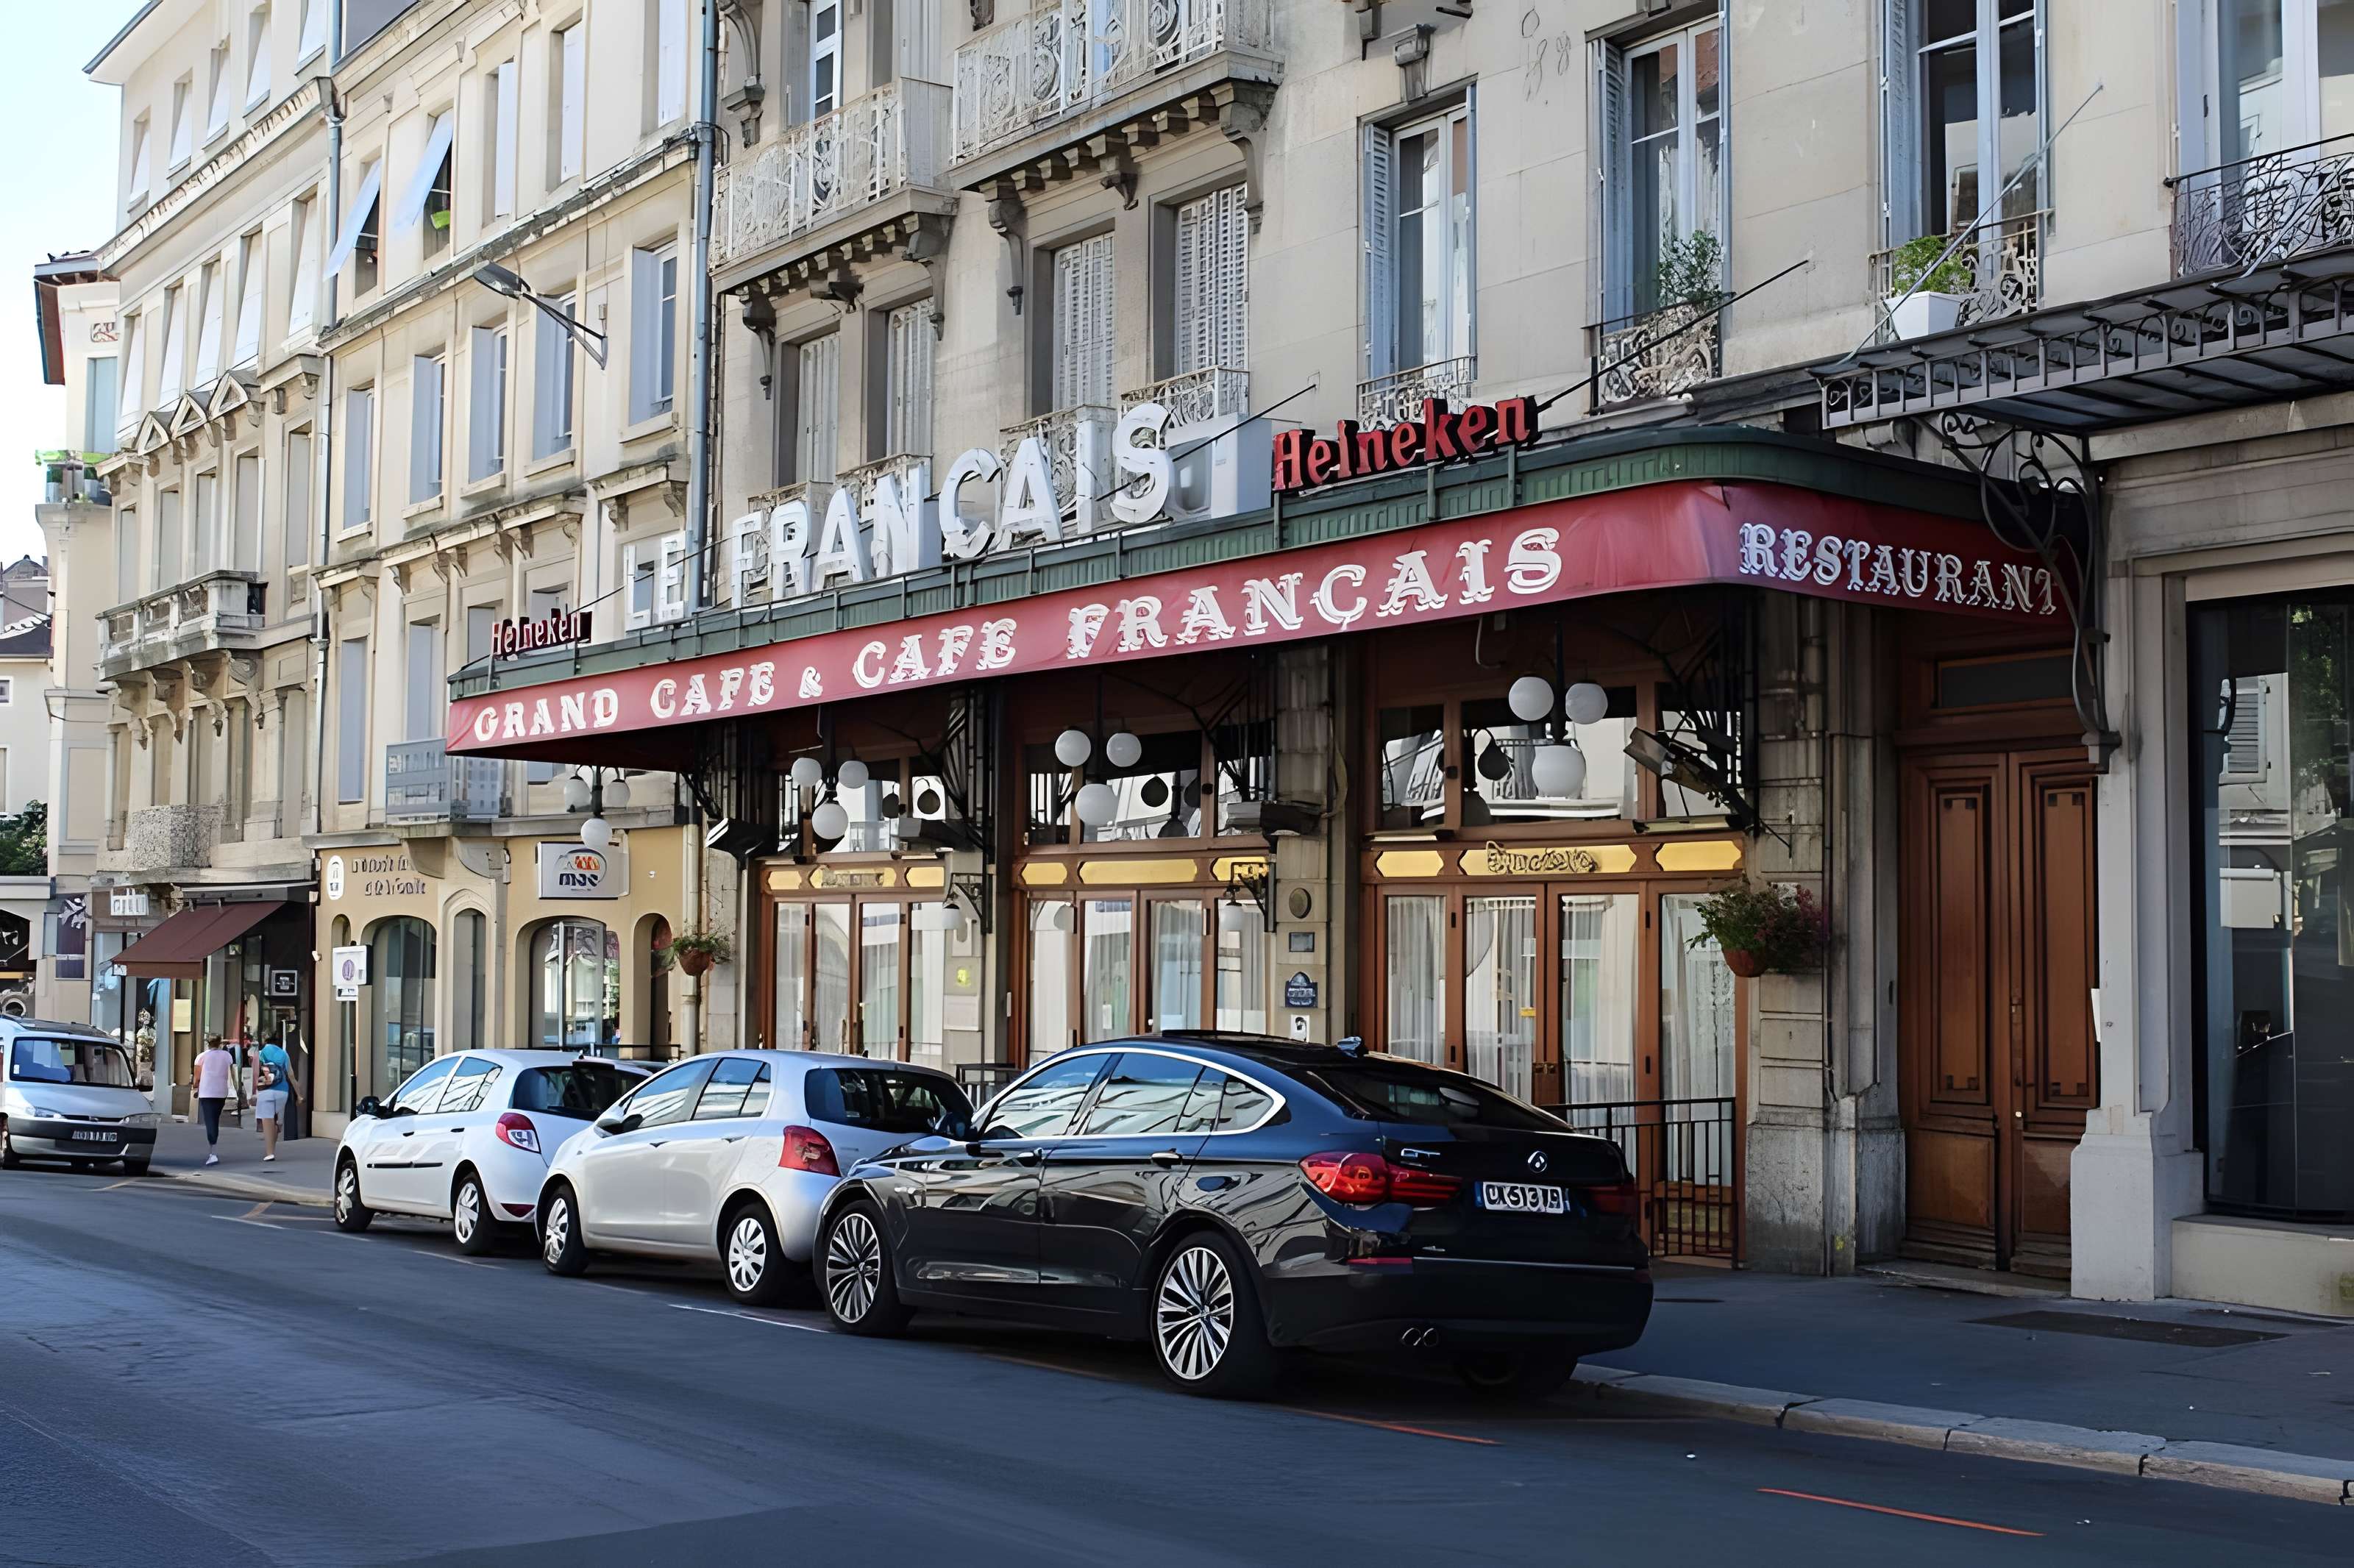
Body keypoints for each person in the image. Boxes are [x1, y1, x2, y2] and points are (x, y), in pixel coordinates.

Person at [192, 1036, 234, 1166]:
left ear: (208, 1043)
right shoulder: (227, 1056)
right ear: (220, 1042)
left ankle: (213, 1152)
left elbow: (197, 1078)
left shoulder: (201, 1057)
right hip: (221, 1092)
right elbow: (232, 1070)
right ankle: (213, 1148)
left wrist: (194, 1087)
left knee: (210, 1121)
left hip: (207, 1092)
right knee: (215, 1119)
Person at [252, 1037, 294, 1162]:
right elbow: (291, 1075)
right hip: (282, 1091)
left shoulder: (259, 1054)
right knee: (276, 1122)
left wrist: (253, 1092)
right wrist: (299, 1094)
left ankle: (270, 1153)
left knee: (267, 1120)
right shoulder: (284, 1055)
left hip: (266, 1091)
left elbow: (255, 1075)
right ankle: (278, 1127)